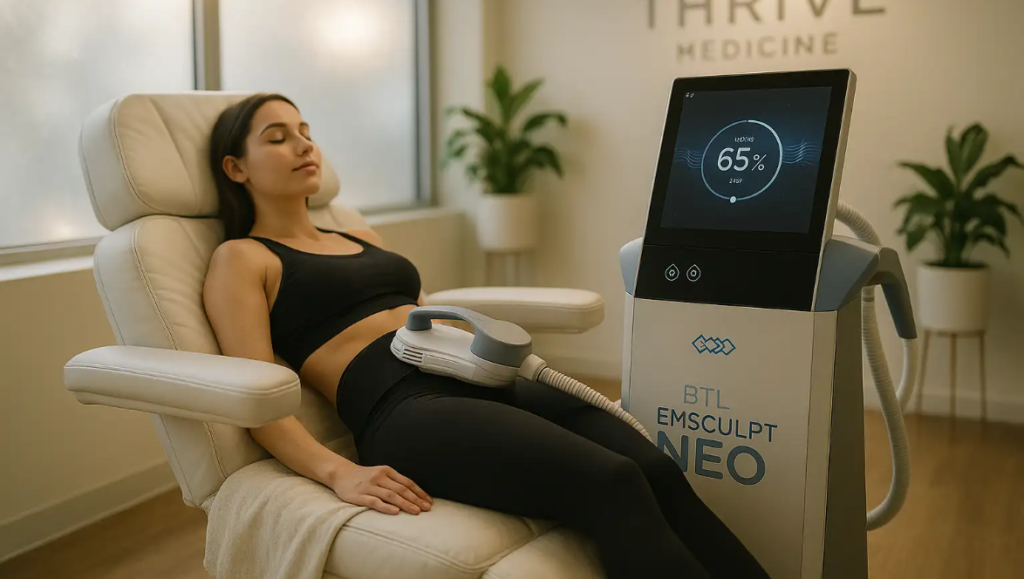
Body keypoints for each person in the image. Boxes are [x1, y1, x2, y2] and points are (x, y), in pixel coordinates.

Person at [202, 93, 770, 579]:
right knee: (612, 481)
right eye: (278, 138)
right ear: (236, 168)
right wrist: (339, 472)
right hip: (407, 406)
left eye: (305, 132)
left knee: (657, 467)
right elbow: (255, 394)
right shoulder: (243, 258)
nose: (304, 146)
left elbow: (423, 314)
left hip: (479, 373)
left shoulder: (359, 233)